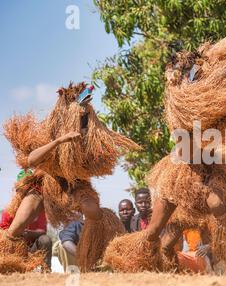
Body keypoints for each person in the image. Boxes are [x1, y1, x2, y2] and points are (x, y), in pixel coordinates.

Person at [103, 32, 226, 272]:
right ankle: (129, 260)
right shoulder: (181, 101)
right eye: (192, 74)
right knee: (154, 232)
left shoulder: (209, 96)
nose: (196, 77)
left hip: (210, 168)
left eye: (196, 73)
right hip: (180, 174)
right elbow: (211, 114)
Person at [0, 82, 137, 273]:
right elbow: (31, 161)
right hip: (44, 184)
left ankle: (97, 259)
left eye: (83, 119)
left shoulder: (90, 135)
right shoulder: (52, 134)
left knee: (94, 213)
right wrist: (60, 141)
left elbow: (99, 162)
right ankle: (6, 260)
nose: (81, 124)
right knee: (16, 227)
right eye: (78, 118)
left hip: (76, 185)